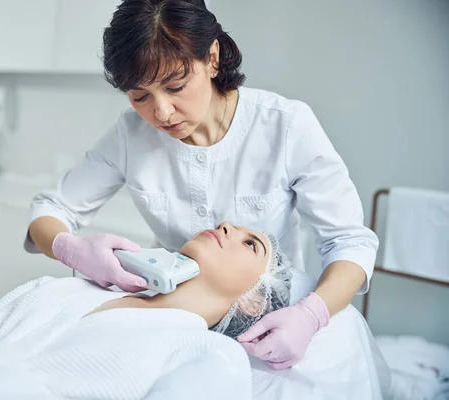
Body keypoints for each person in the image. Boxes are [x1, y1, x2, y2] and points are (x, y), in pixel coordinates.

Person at [25, 0, 379, 370]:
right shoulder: (130, 135)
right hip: (170, 322)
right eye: (139, 96)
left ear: (211, 58)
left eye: (175, 86)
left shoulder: (285, 126)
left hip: (264, 329)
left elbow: (349, 242)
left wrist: (310, 315)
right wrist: (68, 247)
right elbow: (51, 210)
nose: (161, 113)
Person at [0, 224, 291, 400]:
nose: (229, 228)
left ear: (254, 300)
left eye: (251, 244)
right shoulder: (69, 288)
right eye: (231, 224)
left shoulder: (210, 356)